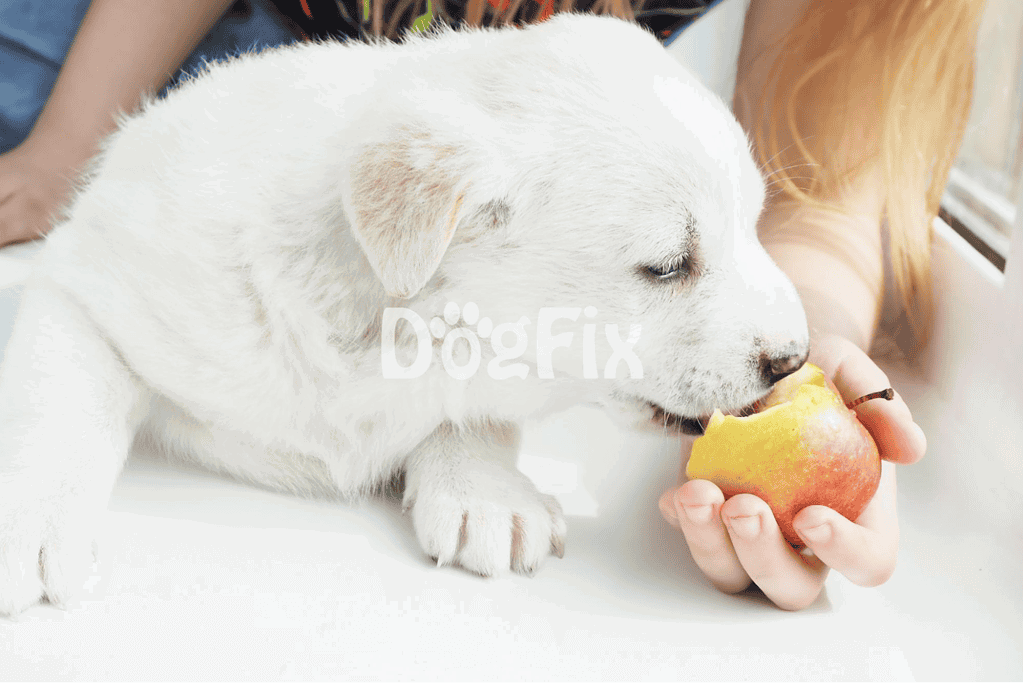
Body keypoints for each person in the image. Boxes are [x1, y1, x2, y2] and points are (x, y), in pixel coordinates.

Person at [0, 0, 984, 610]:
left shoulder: (549, 176)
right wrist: (63, 153)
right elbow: (81, 302)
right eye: (665, 264)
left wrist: (825, 362)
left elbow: (832, 168)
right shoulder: (273, 220)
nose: (779, 340)